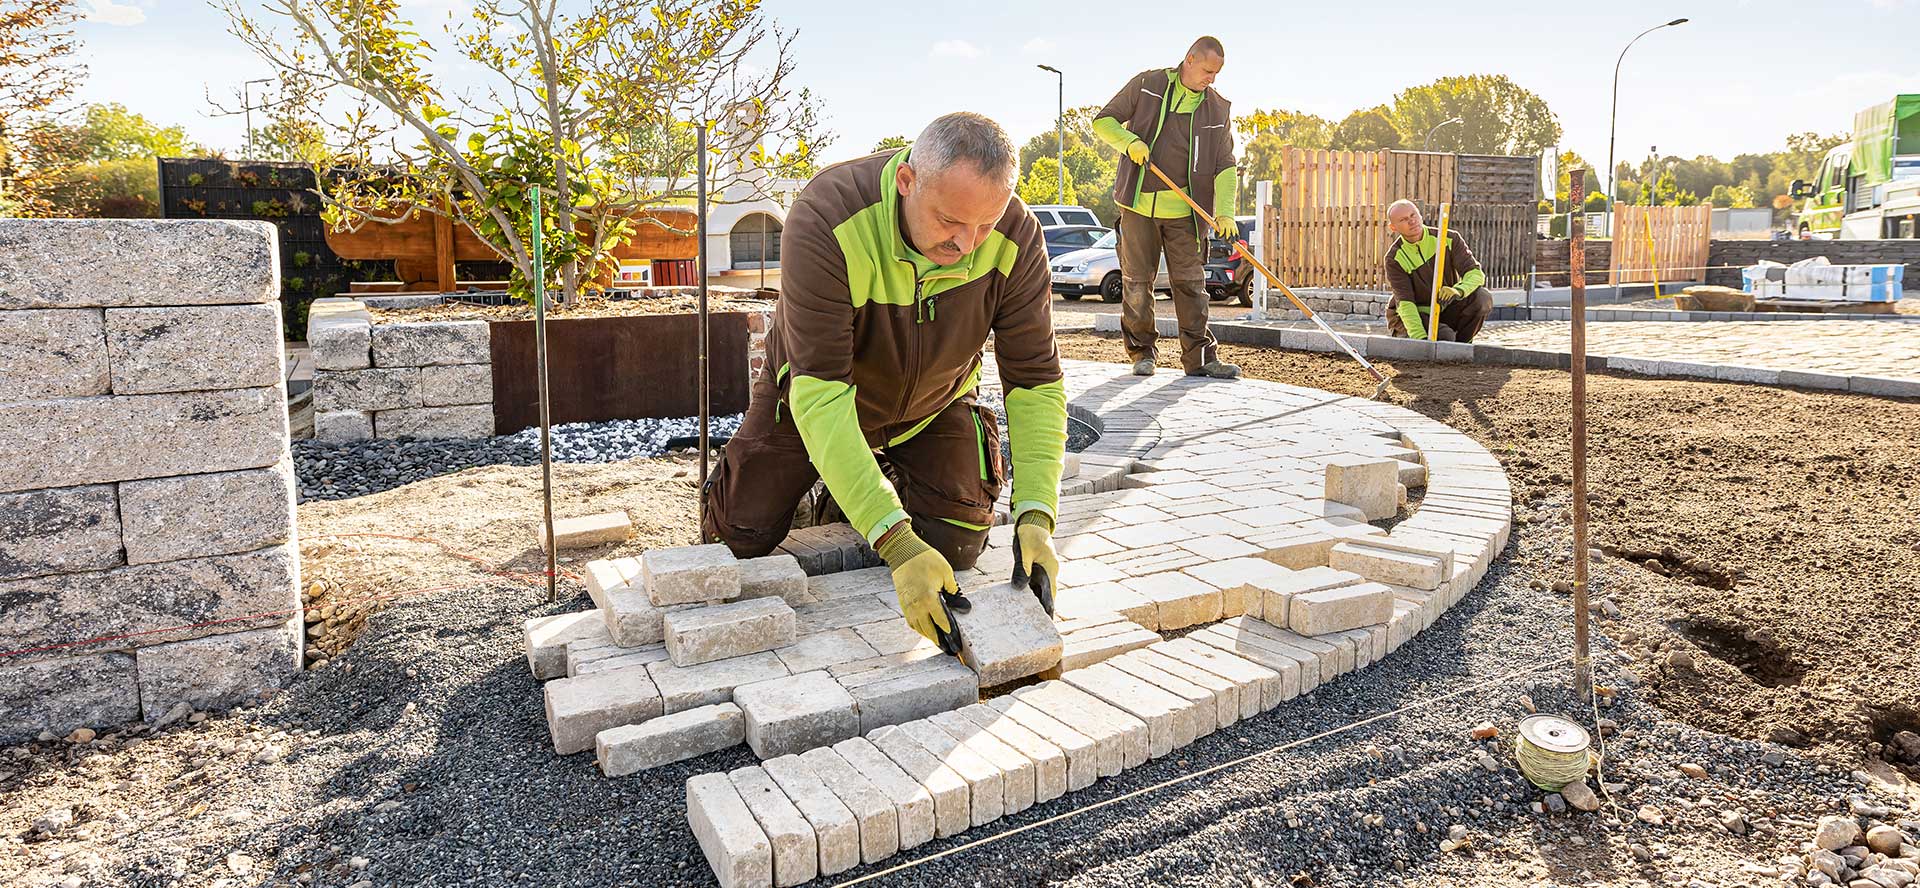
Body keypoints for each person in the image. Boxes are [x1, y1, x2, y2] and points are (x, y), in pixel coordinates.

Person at [700, 112, 1066, 654]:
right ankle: (831, 487)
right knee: (738, 540)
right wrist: (896, 544)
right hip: (812, 402)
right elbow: (821, 396)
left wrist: (1037, 514)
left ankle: (857, 496)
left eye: (984, 225)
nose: (968, 245)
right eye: (949, 222)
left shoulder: (1016, 233)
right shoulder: (826, 216)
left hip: (933, 405)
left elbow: (1035, 380)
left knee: (956, 547)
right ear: (907, 182)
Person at [1092, 36, 1240, 379]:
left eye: (1217, 73)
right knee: (1136, 283)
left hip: (1185, 213)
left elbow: (1226, 164)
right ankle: (1142, 353)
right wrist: (1129, 142)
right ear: (1189, 59)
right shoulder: (1148, 85)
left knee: (1191, 285)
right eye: (1207, 71)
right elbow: (1103, 121)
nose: (1211, 79)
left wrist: (1226, 212)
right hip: (1139, 206)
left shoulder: (1217, 108)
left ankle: (1201, 359)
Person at [1383, 199, 1493, 342]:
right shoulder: (1394, 258)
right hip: (1416, 314)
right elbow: (1406, 304)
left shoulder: (1448, 238)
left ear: (1420, 215)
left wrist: (1458, 290)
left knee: (1482, 298)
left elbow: (1476, 274)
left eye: (1413, 215)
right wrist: (1420, 340)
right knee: (1445, 337)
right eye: (1404, 219)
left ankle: (1462, 347)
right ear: (1393, 227)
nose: (1412, 221)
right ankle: (1443, 344)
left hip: (1445, 308)